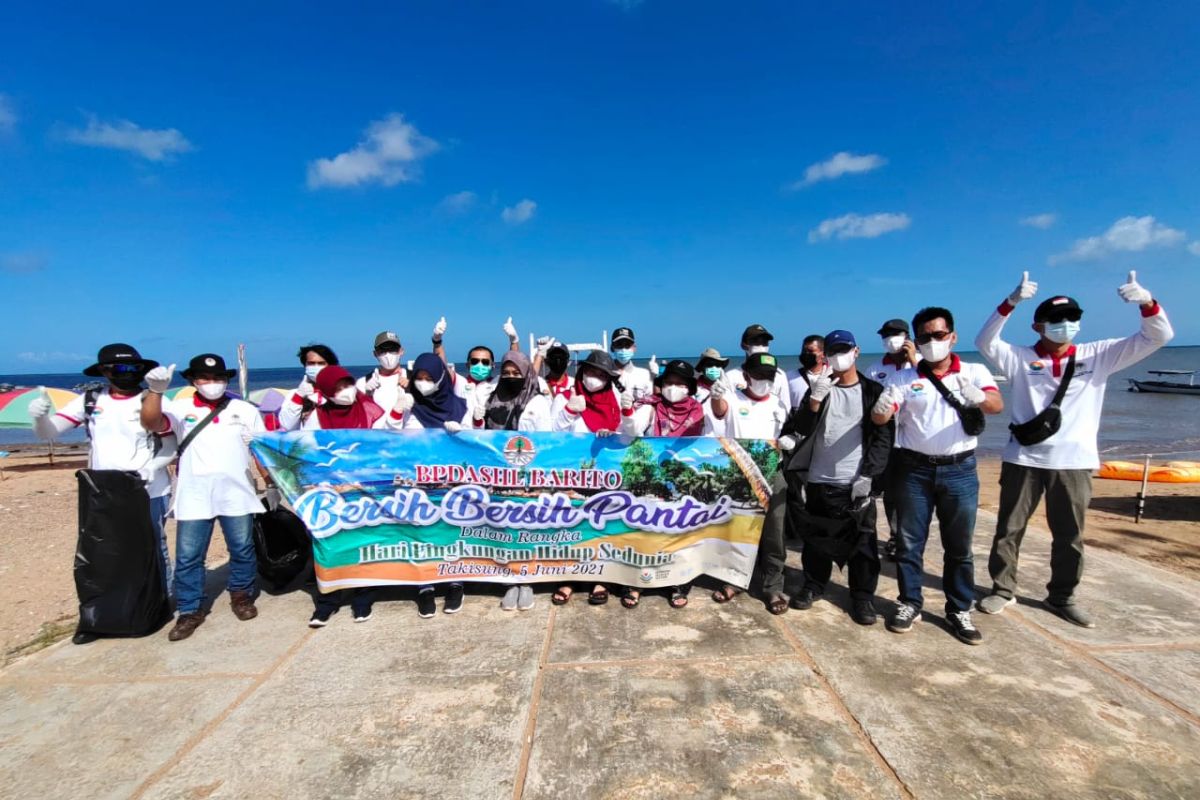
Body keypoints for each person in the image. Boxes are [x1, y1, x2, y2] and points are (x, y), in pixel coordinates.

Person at [974, 271, 1174, 628]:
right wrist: (1010, 302)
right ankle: (1003, 589)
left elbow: (1158, 336)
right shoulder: (1018, 359)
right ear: (1038, 326)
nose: (1064, 325)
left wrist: (1146, 302)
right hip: (1023, 458)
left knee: (1070, 535)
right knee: (1009, 529)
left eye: (1071, 318)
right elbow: (985, 341)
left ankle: (1063, 596)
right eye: (1055, 320)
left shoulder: (1099, 355)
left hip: (1075, 462)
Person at [29, 343, 178, 643]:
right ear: (104, 371)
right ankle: (108, 611)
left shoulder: (152, 400)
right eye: (120, 369)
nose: (129, 374)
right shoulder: (90, 401)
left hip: (147, 488)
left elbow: (170, 443)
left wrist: (152, 467)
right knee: (106, 552)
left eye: (135, 369)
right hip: (104, 490)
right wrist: (40, 418)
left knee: (153, 546)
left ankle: (161, 601)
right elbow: (49, 433)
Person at [871, 308, 1003, 644]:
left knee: (959, 546)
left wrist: (980, 397)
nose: (933, 342)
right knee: (909, 544)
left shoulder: (973, 371)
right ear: (916, 341)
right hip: (913, 469)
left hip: (960, 469)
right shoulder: (904, 378)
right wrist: (881, 409)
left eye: (939, 335)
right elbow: (881, 419)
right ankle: (909, 602)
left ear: (952, 337)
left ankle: (959, 608)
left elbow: (996, 404)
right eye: (925, 337)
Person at [141, 355, 264, 642]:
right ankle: (190, 609)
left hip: (237, 491)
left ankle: (242, 595)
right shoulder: (179, 408)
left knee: (243, 548)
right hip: (193, 493)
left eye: (218, 379)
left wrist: (270, 480)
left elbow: (263, 448)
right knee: (188, 556)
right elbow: (151, 423)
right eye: (205, 379)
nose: (212, 384)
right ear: (193, 381)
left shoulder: (244, 410)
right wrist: (156, 392)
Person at [784, 330, 893, 626]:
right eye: (833, 351)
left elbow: (883, 438)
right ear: (826, 356)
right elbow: (801, 428)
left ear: (856, 352)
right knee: (816, 538)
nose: (839, 355)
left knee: (863, 543)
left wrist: (870, 475)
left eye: (844, 349)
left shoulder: (872, 391)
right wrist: (815, 401)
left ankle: (862, 597)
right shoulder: (821, 387)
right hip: (820, 477)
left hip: (856, 480)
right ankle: (813, 585)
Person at [299, 365, 396, 626]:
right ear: (327, 393)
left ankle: (363, 598)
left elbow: (387, 433)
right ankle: (327, 602)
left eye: (347, 384)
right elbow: (304, 448)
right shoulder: (318, 417)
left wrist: (398, 409)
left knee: (363, 541)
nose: (345, 392)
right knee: (330, 542)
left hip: (365, 487)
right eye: (337, 388)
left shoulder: (368, 408)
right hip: (330, 487)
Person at [619, 359, 707, 609]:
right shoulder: (650, 406)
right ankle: (635, 583)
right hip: (650, 479)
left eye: (680, 383)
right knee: (643, 531)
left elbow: (710, 442)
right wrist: (627, 411)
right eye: (669, 382)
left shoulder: (699, 411)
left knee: (676, 535)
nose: (674, 387)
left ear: (690, 387)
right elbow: (633, 429)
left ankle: (676, 584)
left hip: (682, 480)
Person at [387, 352, 470, 618]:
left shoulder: (461, 406)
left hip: (453, 482)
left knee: (451, 532)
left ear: (441, 378)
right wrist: (399, 408)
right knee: (422, 534)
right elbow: (384, 435)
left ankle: (456, 583)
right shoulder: (410, 405)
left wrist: (463, 433)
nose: (423, 383)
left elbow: (476, 445)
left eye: (429, 378)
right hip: (416, 483)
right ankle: (425, 586)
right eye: (419, 378)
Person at [708, 353, 791, 612]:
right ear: (746, 375)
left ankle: (773, 586)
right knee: (737, 530)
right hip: (739, 473)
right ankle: (733, 581)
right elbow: (719, 411)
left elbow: (788, 431)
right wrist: (715, 395)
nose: (763, 382)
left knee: (774, 533)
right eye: (758, 377)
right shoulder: (733, 398)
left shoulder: (779, 404)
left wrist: (791, 441)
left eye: (768, 378)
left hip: (771, 472)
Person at [472, 350, 552, 611]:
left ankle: (526, 581)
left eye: (516, 373)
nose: (510, 377)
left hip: (527, 476)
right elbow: (477, 436)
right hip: (495, 475)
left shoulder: (538, 401)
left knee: (526, 528)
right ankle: (508, 581)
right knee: (502, 528)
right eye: (506, 373)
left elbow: (546, 440)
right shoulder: (489, 398)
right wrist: (473, 420)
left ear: (527, 374)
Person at [549, 350, 623, 605]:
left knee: (602, 526)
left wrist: (612, 433)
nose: (595, 378)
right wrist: (570, 410)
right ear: (582, 372)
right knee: (572, 527)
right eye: (591, 372)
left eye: (602, 375)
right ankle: (568, 577)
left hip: (606, 476)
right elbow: (552, 433)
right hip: (572, 474)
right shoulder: (565, 397)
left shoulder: (615, 401)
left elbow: (627, 435)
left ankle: (600, 578)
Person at [862, 319, 920, 560]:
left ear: (908, 337)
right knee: (886, 494)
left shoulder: (922, 366)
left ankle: (906, 539)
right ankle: (892, 537)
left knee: (910, 494)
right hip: (885, 440)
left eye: (895, 334)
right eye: (885, 335)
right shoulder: (876, 369)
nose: (890, 339)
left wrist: (914, 361)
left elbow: (930, 389)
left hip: (913, 441)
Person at [279, 344, 340, 431]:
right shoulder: (294, 394)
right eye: (311, 363)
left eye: (321, 363)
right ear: (305, 365)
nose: (316, 367)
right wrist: (299, 396)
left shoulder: (341, 393)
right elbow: (287, 425)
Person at [727, 324, 790, 405]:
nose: (761, 346)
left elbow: (785, 407)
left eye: (765, 343)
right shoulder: (730, 377)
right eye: (755, 342)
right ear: (744, 345)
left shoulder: (780, 375)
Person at [357, 331, 408, 413]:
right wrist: (364, 396)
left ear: (401, 351)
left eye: (393, 349)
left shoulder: (414, 379)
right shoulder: (363, 383)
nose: (388, 354)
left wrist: (413, 388)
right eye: (382, 350)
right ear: (375, 354)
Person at [609, 326, 654, 401]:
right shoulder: (603, 373)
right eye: (619, 345)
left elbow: (650, 402)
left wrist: (654, 377)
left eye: (627, 345)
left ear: (634, 348)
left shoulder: (645, 374)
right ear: (612, 348)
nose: (623, 349)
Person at [787, 335, 830, 409]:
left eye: (811, 351)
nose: (806, 354)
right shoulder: (789, 377)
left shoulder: (832, 377)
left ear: (823, 354)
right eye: (804, 351)